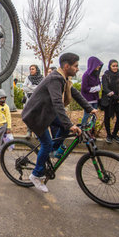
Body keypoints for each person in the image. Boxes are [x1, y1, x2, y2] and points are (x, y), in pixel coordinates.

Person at [22, 53, 97, 192]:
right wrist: (70, 124)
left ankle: (51, 152)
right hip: (35, 116)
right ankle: (36, 175)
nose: (77, 69)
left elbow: (75, 93)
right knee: (47, 142)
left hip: (46, 113)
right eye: (75, 66)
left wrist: (90, 109)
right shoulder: (55, 79)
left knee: (64, 129)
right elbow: (57, 103)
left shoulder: (64, 79)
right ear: (67, 66)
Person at [101, 60, 119, 143]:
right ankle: (108, 135)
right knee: (107, 118)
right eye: (113, 66)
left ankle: (114, 134)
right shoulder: (106, 76)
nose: (115, 67)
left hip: (118, 101)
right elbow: (105, 88)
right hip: (109, 100)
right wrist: (115, 96)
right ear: (110, 66)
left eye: (116, 66)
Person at [22, 64, 44, 139]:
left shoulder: (42, 78)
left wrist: (30, 87)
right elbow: (24, 88)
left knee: (38, 117)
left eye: (33, 69)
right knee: (30, 116)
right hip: (29, 100)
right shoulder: (28, 78)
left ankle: (37, 133)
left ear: (36, 70)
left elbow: (41, 88)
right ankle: (29, 132)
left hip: (38, 100)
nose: (31, 70)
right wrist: (35, 89)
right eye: (30, 69)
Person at [81, 56, 103, 125]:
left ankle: (91, 131)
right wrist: (94, 89)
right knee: (87, 115)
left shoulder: (96, 74)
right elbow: (84, 88)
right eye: (97, 65)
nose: (99, 66)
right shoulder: (86, 75)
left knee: (93, 117)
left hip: (95, 99)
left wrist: (97, 87)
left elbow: (99, 83)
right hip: (88, 99)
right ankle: (83, 130)